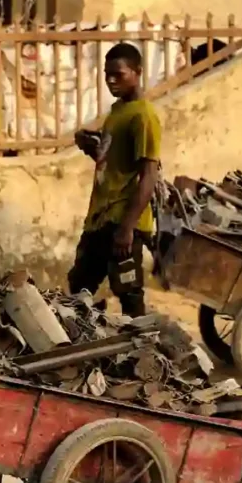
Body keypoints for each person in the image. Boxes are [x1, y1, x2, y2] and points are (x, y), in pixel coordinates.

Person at [69, 42, 163, 318]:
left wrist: (127, 228)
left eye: (118, 74)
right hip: (100, 218)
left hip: (123, 222)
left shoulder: (144, 116)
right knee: (79, 286)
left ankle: (145, 356)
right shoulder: (117, 111)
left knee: (129, 294)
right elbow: (113, 162)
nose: (111, 80)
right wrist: (88, 145)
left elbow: (148, 175)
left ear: (137, 72)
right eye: (107, 74)